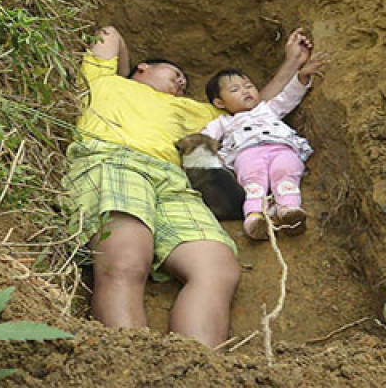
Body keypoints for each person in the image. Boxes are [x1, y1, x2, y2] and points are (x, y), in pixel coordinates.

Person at [65, 25, 311, 346]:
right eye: (175, 73)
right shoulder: (103, 81)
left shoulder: (194, 110)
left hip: (174, 179)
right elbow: (109, 34)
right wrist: (125, 72)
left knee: (217, 268)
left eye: (185, 80)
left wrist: (292, 62)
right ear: (143, 68)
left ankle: (194, 372)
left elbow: (252, 108)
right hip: (114, 159)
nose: (182, 82)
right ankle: (127, 367)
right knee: (126, 259)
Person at [201, 50, 328, 240]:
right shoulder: (223, 122)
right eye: (235, 90)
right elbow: (204, 139)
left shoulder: (268, 109)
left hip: (282, 148)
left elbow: (289, 97)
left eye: (249, 86)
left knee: (286, 173)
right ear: (219, 102)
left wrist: (301, 77)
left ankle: (289, 210)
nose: (245, 91)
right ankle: (254, 217)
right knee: (253, 182)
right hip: (247, 153)